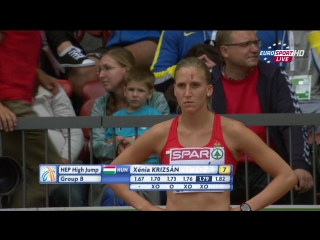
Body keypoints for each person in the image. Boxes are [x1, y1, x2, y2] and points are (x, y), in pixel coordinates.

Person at [106, 57, 297, 211]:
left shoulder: (232, 130)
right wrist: (145, 207)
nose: (187, 93)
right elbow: (111, 172)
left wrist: (246, 208)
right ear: (175, 90)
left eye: (195, 85)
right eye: (181, 86)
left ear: (209, 89)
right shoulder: (161, 132)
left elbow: (286, 176)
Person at [210, 30, 314, 205]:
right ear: (225, 51)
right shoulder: (208, 80)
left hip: (267, 166)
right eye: (245, 45)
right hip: (221, 167)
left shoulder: (275, 76)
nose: (255, 49)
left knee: (298, 185)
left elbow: (293, 124)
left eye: (256, 43)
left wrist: (299, 165)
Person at [89, 46, 170, 206]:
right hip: (116, 165)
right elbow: (97, 145)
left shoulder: (156, 99)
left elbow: (165, 137)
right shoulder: (100, 104)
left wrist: (135, 148)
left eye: (107, 68)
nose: (101, 75)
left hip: (150, 166)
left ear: (127, 70)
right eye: (99, 70)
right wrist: (117, 148)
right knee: (113, 193)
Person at [0, 30, 62, 208]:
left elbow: (11, 51)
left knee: (11, 174)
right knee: (51, 171)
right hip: (11, 106)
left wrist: (36, 73)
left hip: (14, 104)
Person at [102, 67, 163, 206]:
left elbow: (157, 141)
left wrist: (132, 142)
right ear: (124, 91)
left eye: (140, 90)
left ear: (149, 93)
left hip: (148, 166)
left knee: (148, 194)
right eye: (131, 90)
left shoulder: (155, 115)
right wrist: (116, 140)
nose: (135, 94)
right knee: (110, 191)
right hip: (122, 165)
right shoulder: (116, 116)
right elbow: (108, 139)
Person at [31, 82, 88, 207]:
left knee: (72, 195)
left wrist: (63, 162)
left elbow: (74, 133)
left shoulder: (50, 89)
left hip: (58, 165)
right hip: (17, 168)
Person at [68, 30, 161, 101]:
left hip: (151, 39)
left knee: (113, 64)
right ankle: (107, 113)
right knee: (80, 74)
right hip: (113, 44)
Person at [150, 30, 219, 113]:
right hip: (180, 111)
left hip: (226, 102)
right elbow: (154, 80)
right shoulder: (174, 32)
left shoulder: (236, 33)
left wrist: (219, 69)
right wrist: (186, 67)